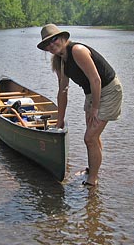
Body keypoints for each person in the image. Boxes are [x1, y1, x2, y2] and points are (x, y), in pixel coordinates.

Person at [37, 24, 123, 186]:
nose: (51, 45)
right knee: (93, 136)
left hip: (108, 90)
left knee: (89, 137)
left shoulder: (78, 51)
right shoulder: (59, 62)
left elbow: (96, 79)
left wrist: (95, 108)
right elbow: (63, 91)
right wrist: (59, 120)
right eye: (47, 44)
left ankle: (92, 181)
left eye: (54, 39)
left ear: (63, 38)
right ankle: (93, 169)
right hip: (91, 93)